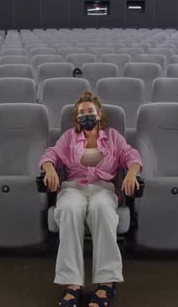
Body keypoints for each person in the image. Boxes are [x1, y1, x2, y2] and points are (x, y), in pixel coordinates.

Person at [38, 91, 142, 307]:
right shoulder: (69, 137)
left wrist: (132, 173)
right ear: (76, 117)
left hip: (103, 188)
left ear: (99, 114)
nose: (86, 115)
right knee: (68, 209)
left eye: (90, 111)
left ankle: (107, 284)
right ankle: (72, 284)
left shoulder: (112, 136)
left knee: (102, 210)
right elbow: (50, 155)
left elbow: (131, 156)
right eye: (81, 112)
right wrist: (49, 170)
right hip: (73, 188)